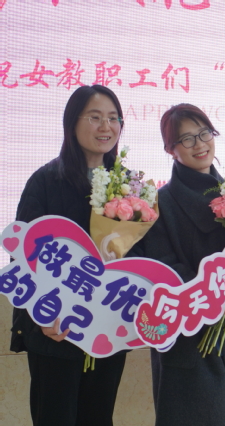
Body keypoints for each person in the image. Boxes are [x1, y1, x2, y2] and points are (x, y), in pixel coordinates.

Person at [128, 103, 225, 426]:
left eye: (204, 133)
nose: (200, 144)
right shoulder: (159, 203)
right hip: (188, 336)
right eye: (187, 139)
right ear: (170, 149)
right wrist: (213, 293)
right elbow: (162, 267)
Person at [10, 85, 127, 426]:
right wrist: (41, 313)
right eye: (95, 117)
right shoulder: (46, 181)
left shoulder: (128, 187)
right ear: (71, 123)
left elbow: (142, 253)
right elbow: (22, 255)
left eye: (113, 118)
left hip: (107, 327)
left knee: (98, 418)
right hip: (56, 327)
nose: (106, 127)